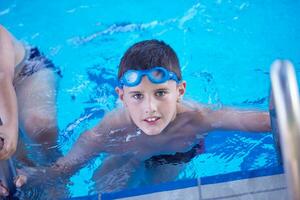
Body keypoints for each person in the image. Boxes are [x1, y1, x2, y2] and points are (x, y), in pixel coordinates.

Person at [1, 39, 271, 195]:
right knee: (103, 186)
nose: (150, 108)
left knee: (161, 188)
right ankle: (131, 160)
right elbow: (66, 168)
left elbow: (255, 120)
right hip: (124, 151)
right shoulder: (107, 132)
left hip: (174, 154)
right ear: (121, 96)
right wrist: (31, 177)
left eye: (161, 93)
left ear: (180, 91)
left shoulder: (198, 118)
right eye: (137, 96)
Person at [0, 24, 61, 165]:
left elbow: (2, 77)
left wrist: (10, 126)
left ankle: (55, 170)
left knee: (39, 126)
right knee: (16, 157)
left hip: (27, 72)